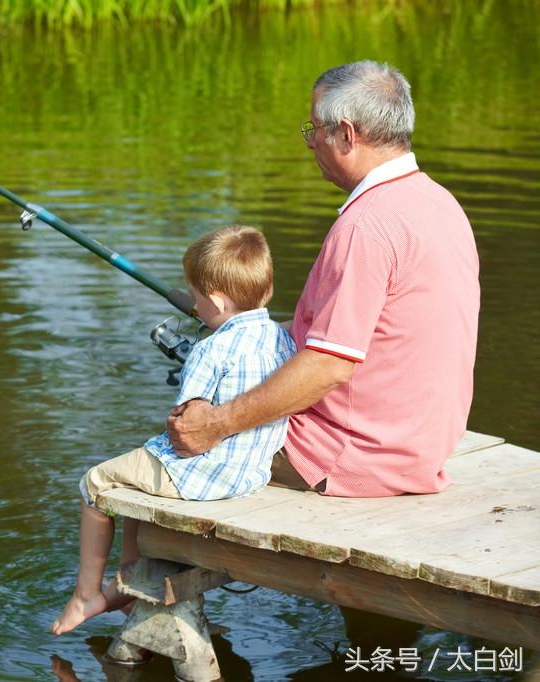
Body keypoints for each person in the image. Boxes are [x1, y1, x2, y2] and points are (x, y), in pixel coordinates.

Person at [167, 60, 480, 498]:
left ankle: (139, 567)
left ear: (347, 135)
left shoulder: (365, 226)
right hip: (421, 449)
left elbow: (329, 365)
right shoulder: (440, 203)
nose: (311, 142)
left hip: (350, 456)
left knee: (167, 451)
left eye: (315, 128)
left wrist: (216, 423)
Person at [51, 225, 297, 636]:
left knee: (95, 486)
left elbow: (187, 430)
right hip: (248, 476)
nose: (196, 308)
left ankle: (87, 594)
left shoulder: (210, 349)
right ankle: (128, 586)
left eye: (198, 299)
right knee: (130, 486)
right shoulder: (284, 340)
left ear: (216, 299)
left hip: (202, 476)